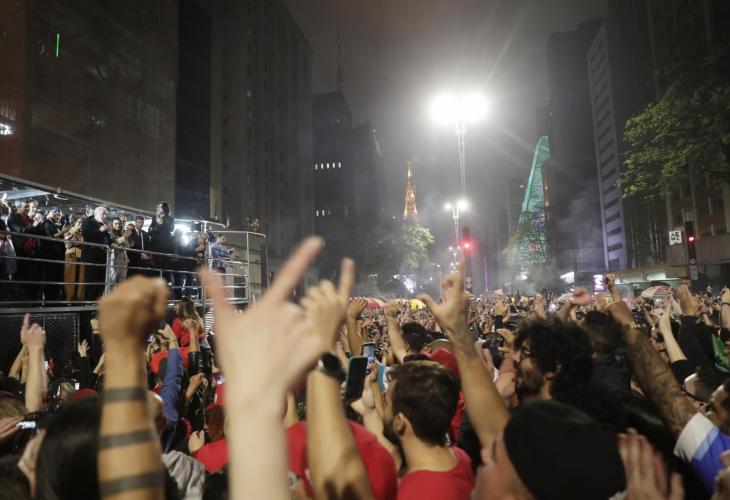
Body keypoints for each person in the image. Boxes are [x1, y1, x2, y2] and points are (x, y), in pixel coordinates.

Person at [81, 206, 110, 301]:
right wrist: (100, 230)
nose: (105, 216)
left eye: (106, 214)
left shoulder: (103, 224)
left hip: (102, 255)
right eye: (103, 214)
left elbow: (107, 238)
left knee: (102, 280)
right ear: (96, 213)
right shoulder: (88, 222)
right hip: (92, 255)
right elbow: (87, 235)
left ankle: (97, 301)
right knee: (91, 280)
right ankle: (88, 302)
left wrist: (111, 243)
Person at [39, 208, 67, 302]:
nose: (58, 217)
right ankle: (49, 301)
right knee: (50, 279)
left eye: (59, 215)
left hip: (57, 257)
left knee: (56, 280)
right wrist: (62, 232)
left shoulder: (54, 225)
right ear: (51, 213)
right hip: (50, 256)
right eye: (56, 214)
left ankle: (54, 300)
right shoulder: (46, 223)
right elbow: (49, 238)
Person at [148, 202, 175, 283]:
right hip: (155, 246)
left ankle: (165, 286)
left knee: (166, 271)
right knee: (155, 269)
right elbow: (150, 229)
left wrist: (162, 219)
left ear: (164, 208)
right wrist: (155, 226)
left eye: (159, 207)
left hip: (166, 247)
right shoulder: (154, 217)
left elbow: (171, 228)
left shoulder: (170, 218)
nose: (157, 208)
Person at [63, 216, 85, 301]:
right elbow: (67, 245)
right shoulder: (69, 230)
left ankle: (79, 299)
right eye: (79, 222)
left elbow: (83, 245)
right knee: (70, 277)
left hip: (81, 255)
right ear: (74, 222)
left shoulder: (82, 232)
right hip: (71, 255)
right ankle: (69, 299)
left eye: (82, 223)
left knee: (80, 278)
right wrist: (73, 235)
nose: (80, 224)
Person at [108, 217, 130, 285]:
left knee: (122, 283)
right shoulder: (109, 233)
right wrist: (124, 238)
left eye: (119, 223)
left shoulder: (122, 233)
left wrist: (126, 238)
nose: (118, 225)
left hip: (124, 260)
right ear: (112, 224)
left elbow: (128, 247)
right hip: (114, 260)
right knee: (112, 282)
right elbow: (113, 243)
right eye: (116, 223)